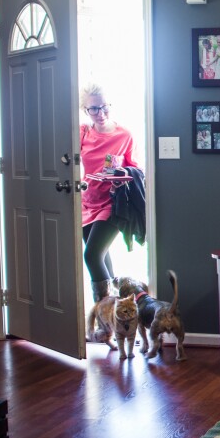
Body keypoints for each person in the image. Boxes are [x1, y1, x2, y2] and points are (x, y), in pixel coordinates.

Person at [79, 83, 139, 302]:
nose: (100, 113)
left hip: (112, 203)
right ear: (85, 110)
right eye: (93, 108)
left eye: (105, 107)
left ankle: (107, 315)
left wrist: (120, 177)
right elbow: (69, 161)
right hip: (87, 202)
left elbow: (135, 171)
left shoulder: (124, 135)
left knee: (92, 255)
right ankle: (115, 318)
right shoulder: (83, 132)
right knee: (101, 256)